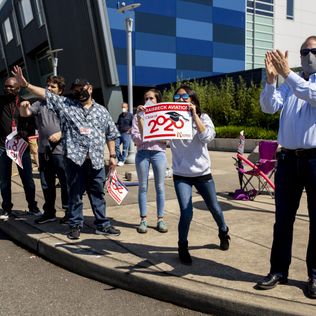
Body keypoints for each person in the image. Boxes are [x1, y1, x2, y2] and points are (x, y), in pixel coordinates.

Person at [13, 65, 121, 240]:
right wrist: (26, 85)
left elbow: (111, 134)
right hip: (74, 160)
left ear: (90, 89)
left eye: (82, 89)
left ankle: (102, 224)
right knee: (75, 194)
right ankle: (75, 225)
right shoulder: (66, 105)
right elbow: (46, 94)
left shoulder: (102, 111)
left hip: (95, 160)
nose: (79, 93)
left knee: (97, 194)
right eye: (76, 90)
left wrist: (113, 156)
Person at [256, 36, 316, 299]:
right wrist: (271, 80)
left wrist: (287, 74)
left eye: (313, 51)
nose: (308, 55)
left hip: (315, 160)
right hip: (288, 160)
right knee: (283, 220)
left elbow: (308, 92)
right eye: (304, 51)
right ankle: (278, 270)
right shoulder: (291, 84)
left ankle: (314, 275)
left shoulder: (300, 83)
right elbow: (269, 106)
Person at [169, 85, 230, 265]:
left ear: (193, 99)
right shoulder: (169, 119)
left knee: (215, 208)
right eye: (177, 97)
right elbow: (153, 136)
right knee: (186, 212)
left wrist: (194, 116)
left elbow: (206, 138)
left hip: (202, 173)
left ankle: (223, 230)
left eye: (184, 97)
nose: (180, 100)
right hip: (181, 174)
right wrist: (144, 116)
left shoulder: (203, 117)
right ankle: (182, 246)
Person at [19, 75, 69, 225]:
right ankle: (49, 212)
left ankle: (69, 211)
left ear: (60, 91)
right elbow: (25, 114)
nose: (49, 88)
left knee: (66, 182)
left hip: (61, 151)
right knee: (46, 183)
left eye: (53, 86)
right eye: (48, 85)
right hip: (43, 150)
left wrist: (60, 133)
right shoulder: (39, 103)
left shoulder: (65, 104)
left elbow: (73, 125)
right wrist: (23, 107)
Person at [0, 77, 41, 220]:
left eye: (11, 87)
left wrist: (23, 134)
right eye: (6, 86)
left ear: (18, 88)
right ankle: (6, 209)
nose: (7, 89)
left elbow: (32, 125)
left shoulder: (24, 102)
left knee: (27, 179)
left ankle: (33, 207)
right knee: (4, 180)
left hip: (21, 146)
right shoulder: (1, 102)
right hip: (3, 146)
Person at [131, 89, 168, 234]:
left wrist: (153, 135)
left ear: (157, 100)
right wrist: (141, 121)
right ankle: (143, 220)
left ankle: (160, 219)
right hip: (142, 154)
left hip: (159, 153)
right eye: (146, 98)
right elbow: (136, 138)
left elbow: (167, 139)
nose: (148, 100)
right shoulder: (137, 117)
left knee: (160, 187)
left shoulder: (164, 116)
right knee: (143, 187)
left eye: (151, 98)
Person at [115, 102, 133, 166]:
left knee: (125, 148)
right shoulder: (120, 115)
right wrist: (116, 130)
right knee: (116, 145)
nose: (123, 108)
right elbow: (118, 124)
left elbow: (133, 124)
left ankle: (122, 160)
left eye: (124, 107)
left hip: (126, 134)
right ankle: (120, 159)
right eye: (122, 107)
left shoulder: (130, 115)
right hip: (119, 133)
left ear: (127, 108)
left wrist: (130, 130)